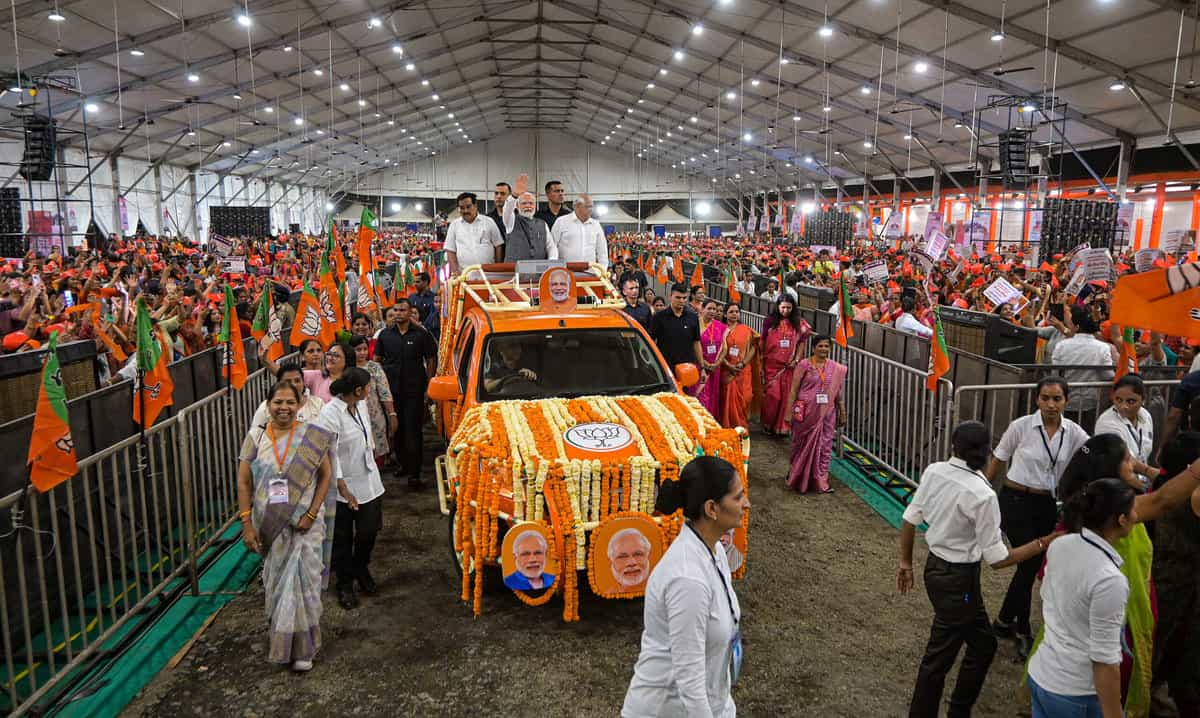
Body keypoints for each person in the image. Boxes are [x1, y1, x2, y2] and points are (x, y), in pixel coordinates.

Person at [898, 421, 1061, 718]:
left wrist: (906, 563)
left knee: (983, 644)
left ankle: (958, 711)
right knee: (939, 657)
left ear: (953, 445)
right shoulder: (982, 494)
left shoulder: (935, 470)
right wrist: (1043, 542)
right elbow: (997, 559)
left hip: (938, 571)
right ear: (988, 450)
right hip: (958, 581)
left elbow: (909, 519)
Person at [1051, 433, 1200, 718]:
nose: (1135, 463)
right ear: (1120, 520)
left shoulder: (1081, 520)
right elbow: (1163, 501)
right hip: (1113, 628)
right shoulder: (1110, 527)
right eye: (1127, 459)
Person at [622, 456, 749, 718]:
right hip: (668, 709)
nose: (746, 504)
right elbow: (689, 679)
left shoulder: (714, 550)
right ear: (712, 509)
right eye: (738, 498)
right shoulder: (687, 578)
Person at [985, 376, 1090, 658]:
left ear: (1066, 401)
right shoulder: (1021, 427)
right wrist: (981, 494)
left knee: (1030, 565)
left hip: (1046, 503)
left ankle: (1005, 621)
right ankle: (1021, 629)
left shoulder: (1075, 433)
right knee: (1029, 562)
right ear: (1036, 399)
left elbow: (1093, 451)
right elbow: (998, 460)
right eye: (1045, 398)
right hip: (1015, 499)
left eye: (1057, 399)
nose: (1051, 404)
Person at [236, 380, 335, 672]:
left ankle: (304, 649)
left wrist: (313, 514)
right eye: (278, 402)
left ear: (299, 404)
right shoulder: (255, 437)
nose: (283, 408)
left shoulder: (311, 436)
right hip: (270, 525)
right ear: (268, 405)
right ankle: (281, 642)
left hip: (306, 525)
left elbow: (326, 476)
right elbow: (243, 481)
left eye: (290, 402)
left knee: (305, 583)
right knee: (277, 584)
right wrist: (246, 524)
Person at [1027, 479, 1137, 718]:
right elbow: (1105, 661)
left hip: (1042, 675)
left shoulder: (1060, 545)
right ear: (1121, 519)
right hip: (1076, 694)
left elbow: (1048, 599)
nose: (1137, 516)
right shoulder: (1110, 580)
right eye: (1133, 510)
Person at [317, 368, 386, 611]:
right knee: (342, 539)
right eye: (367, 387)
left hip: (369, 480)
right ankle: (345, 584)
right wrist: (341, 485)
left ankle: (361, 567)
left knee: (368, 532)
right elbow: (325, 452)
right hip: (341, 486)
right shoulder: (330, 413)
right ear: (357, 390)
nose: (369, 390)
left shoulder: (361, 405)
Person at [1150, 433, 1200, 718]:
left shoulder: (1164, 489)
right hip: (1186, 588)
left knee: (1158, 649)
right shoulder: (1193, 496)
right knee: (1183, 657)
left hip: (1163, 577)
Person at [374, 300, 437, 489]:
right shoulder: (385, 335)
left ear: (410, 313)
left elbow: (431, 358)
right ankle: (403, 464)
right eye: (396, 310)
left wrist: (429, 384)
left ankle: (415, 473)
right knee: (397, 430)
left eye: (403, 310)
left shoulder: (421, 335)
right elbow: (377, 360)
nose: (399, 313)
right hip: (392, 391)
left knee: (413, 431)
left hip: (414, 390)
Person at [785, 334, 847, 494]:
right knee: (799, 443)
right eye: (820, 346)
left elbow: (836, 392)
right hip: (805, 412)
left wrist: (842, 410)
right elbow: (793, 389)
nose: (824, 349)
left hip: (826, 414)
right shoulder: (804, 365)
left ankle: (820, 480)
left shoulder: (835, 368)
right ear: (813, 348)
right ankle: (796, 474)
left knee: (824, 446)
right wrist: (788, 412)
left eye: (827, 346)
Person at [1052, 307, 1115, 430]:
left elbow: (1055, 374)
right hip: (1089, 402)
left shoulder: (1061, 346)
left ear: (1076, 327)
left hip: (1065, 401)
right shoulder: (1102, 348)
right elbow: (1108, 376)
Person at [1093, 374, 1156, 488]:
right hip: (1117, 486)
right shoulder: (1107, 423)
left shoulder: (1146, 416)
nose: (1123, 406)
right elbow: (1122, 461)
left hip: (1141, 481)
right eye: (1118, 400)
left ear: (1143, 400)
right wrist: (1149, 475)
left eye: (1131, 401)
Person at [760, 297, 810, 436]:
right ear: (778, 306)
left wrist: (797, 358)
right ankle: (768, 423)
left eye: (788, 308)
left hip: (789, 366)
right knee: (773, 396)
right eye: (783, 307)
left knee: (787, 397)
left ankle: (782, 427)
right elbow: (763, 340)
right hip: (772, 365)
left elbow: (802, 341)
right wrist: (761, 359)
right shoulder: (770, 321)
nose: (785, 311)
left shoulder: (798, 323)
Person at [349, 335, 396, 464]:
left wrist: (392, 414)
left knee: (376, 453)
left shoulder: (374, 367)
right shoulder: (346, 369)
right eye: (358, 349)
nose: (362, 353)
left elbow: (385, 392)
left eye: (365, 349)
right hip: (353, 415)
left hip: (374, 415)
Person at [250, 360, 325, 428]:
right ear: (279, 383)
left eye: (297, 380)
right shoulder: (265, 408)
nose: (294, 385)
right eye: (288, 381)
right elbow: (255, 436)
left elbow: (328, 436)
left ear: (303, 382)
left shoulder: (318, 404)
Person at [445, 192, 504, 275]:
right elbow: (450, 250)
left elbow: (498, 245)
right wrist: (455, 272)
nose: (465, 211)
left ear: (475, 206)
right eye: (462, 208)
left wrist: (497, 268)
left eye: (468, 207)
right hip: (464, 275)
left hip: (489, 274)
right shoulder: (454, 225)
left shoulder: (489, 222)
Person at [719, 304, 757, 431]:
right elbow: (718, 351)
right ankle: (729, 426)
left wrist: (743, 363)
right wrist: (728, 365)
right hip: (727, 371)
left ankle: (741, 426)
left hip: (743, 371)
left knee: (745, 398)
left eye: (737, 311)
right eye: (731, 312)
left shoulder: (746, 329)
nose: (734, 314)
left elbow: (753, 348)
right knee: (728, 401)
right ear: (725, 314)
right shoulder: (720, 330)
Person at [501, 173, 555, 261]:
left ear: (535, 206)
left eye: (531, 203)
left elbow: (551, 246)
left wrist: (552, 261)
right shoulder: (511, 221)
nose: (528, 206)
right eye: (524, 203)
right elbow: (507, 210)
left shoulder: (542, 224)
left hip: (538, 272)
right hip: (514, 272)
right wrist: (514, 196)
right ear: (517, 206)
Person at [649, 283, 702, 371]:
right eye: (678, 297)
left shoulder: (693, 317)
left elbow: (696, 342)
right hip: (665, 367)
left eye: (684, 298)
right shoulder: (658, 317)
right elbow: (651, 342)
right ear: (670, 296)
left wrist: (702, 367)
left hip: (687, 368)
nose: (681, 301)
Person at [550, 193, 608, 270]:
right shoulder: (561, 222)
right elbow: (552, 247)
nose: (591, 209)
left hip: (590, 273)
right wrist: (553, 268)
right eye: (587, 206)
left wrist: (603, 270)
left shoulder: (596, 225)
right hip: (565, 272)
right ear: (577, 207)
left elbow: (602, 251)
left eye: (592, 206)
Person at [691, 298, 727, 419]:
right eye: (709, 308)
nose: (712, 311)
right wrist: (703, 363)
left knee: (712, 396)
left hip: (714, 369)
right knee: (700, 396)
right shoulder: (694, 324)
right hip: (698, 367)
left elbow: (724, 349)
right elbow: (692, 345)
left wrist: (716, 364)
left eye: (714, 309)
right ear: (702, 309)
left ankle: (710, 422)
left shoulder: (721, 327)